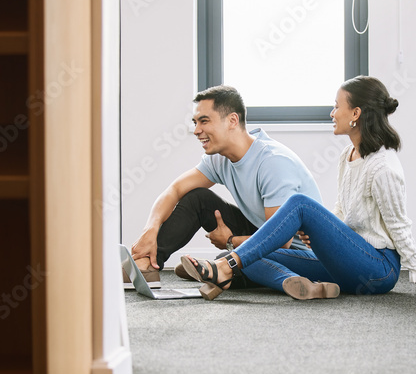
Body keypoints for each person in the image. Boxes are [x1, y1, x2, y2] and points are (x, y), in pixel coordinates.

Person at [182, 76, 416, 300]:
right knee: (254, 252)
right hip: (347, 260)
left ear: (355, 114)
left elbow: (399, 224)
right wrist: (321, 233)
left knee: (297, 205)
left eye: (337, 107)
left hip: (378, 269)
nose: (332, 113)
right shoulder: (349, 154)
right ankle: (297, 284)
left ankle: (224, 269)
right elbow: (342, 213)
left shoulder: (383, 167)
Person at [127, 85, 322, 288]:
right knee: (198, 198)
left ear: (232, 120)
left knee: (228, 257)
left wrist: (231, 241)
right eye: (195, 122)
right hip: (266, 234)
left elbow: (282, 241)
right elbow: (175, 190)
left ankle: (216, 269)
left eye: (204, 121)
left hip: (300, 253)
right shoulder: (219, 159)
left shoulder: (272, 162)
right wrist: (150, 229)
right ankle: (149, 264)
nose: (196, 131)